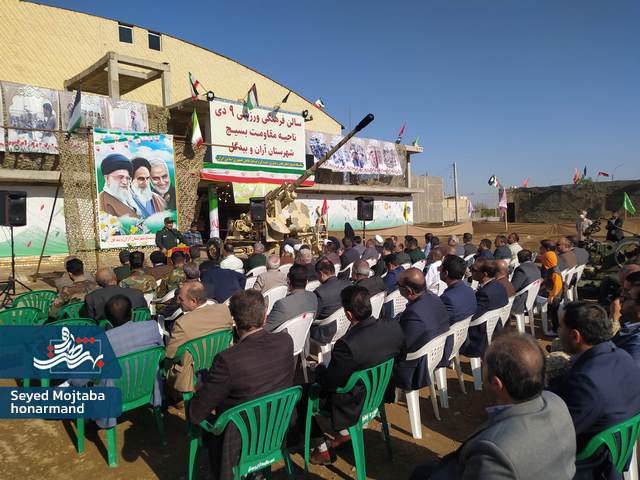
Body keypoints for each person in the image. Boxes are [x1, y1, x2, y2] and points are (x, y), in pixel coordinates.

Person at [412, 333, 576, 480]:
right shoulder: (555, 403)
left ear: (497, 384)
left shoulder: (494, 452)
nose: (481, 364)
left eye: (484, 364)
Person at [189, 290, 294, 480]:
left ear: (235, 322)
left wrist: (201, 387)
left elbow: (197, 413)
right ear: (265, 316)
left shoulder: (227, 360)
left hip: (240, 442)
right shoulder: (285, 341)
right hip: (277, 430)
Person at [308, 285, 405, 464]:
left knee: (303, 395)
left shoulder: (347, 345)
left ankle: (322, 447)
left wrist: (319, 368)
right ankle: (344, 433)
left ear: (349, 314)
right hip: (378, 392)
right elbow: (401, 356)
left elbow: (330, 383)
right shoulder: (393, 327)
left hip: (352, 403)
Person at [550, 302, 640, 479]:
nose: (558, 332)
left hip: (589, 466)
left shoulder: (585, 382)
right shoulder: (623, 357)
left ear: (575, 336)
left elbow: (557, 434)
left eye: (560, 327)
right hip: (616, 452)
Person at [165, 282, 234, 400]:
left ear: (193, 301)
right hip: (219, 364)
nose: (177, 301)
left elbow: (170, 354)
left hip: (191, 376)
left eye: (181, 299)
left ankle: (173, 400)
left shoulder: (182, 323)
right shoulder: (223, 310)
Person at [393, 268, 449, 392]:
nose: (397, 287)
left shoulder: (414, 314)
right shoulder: (434, 298)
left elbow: (401, 347)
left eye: (399, 285)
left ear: (409, 291)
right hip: (434, 355)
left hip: (414, 370)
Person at [461, 259, 508, 358]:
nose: (470, 271)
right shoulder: (499, 286)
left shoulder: (485, 293)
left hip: (478, 338)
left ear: (484, 274)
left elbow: (471, 316)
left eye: (474, 270)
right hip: (495, 329)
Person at [439, 255, 477, 365]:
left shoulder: (448, 298)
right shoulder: (469, 291)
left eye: (440, 268)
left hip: (444, 348)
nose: (438, 270)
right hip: (460, 341)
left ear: (446, 273)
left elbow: (436, 324)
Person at [264, 264, 318, 332]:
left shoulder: (282, 304)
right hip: (303, 337)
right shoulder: (313, 297)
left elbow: (265, 328)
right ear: (306, 282)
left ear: (288, 282)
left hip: (283, 338)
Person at [311, 257, 353, 344]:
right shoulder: (348, 284)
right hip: (345, 327)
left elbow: (313, 316)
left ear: (321, 274)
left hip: (325, 333)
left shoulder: (320, 292)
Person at [98, 153, 138, 218]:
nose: (125, 182)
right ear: (107, 178)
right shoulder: (103, 202)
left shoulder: (127, 197)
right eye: (120, 177)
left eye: (127, 178)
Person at [613, 271, 640, 366]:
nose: (621, 296)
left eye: (627, 297)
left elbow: (630, 371)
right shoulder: (628, 326)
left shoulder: (636, 344)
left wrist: (614, 320)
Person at [510, 249, 542, 315]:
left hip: (519, 303)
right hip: (531, 300)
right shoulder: (536, 268)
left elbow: (513, 288)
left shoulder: (521, 269)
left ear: (519, 259)